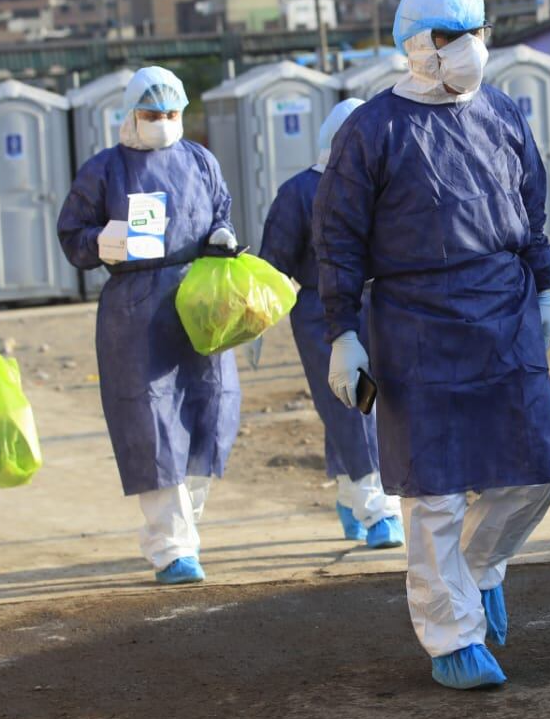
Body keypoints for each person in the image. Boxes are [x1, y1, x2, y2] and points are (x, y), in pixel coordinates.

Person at [312, 0, 550, 690]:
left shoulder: (505, 114)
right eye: (455, 38)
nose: (472, 50)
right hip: (416, 326)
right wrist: (343, 332)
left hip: (506, 313)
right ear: (418, 46)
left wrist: (544, 286)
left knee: (537, 470)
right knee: (434, 493)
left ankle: (479, 566)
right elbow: (336, 240)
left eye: (478, 34)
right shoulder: (372, 131)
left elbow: (533, 210)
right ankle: (451, 635)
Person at [57, 66, 241, 586]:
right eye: (152, 114)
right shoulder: (104, 170)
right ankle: (171, 548)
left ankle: (184, 528)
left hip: (199, 300)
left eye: (172, 114)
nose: (163, 122)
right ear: (130, 114)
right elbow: (72, 234)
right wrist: (102, 244)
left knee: (212, 410)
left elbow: (220, 210)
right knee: (150, 421)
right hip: (135, 308)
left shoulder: (201, 160)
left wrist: (223, 235)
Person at [254, 98, 403, 548]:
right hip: (321, 313)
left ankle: (348, 492)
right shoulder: (298, 193)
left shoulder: (383, 188)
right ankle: (379, 510)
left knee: (376, 408)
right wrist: (255, 319)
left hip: (381, 305)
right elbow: (272, 266)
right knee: (350, 406)